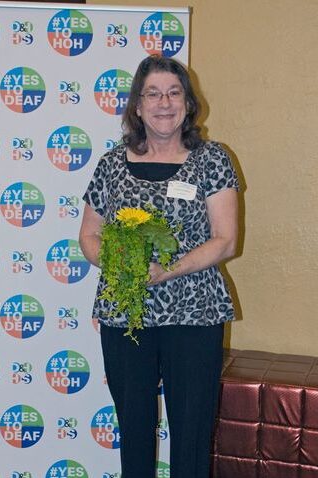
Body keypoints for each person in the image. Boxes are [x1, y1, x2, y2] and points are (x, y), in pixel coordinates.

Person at [79, 55, 239, 478]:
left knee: (192, 429)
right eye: (152, 93)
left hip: (194, 311)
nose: (163, 103)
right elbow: (88, 236)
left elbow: (225, 240)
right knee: (133, 428)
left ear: (188, 103)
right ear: (137, 105)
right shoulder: (111, 164)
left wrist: (168, 270)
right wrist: (120, 265)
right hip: (125, 312)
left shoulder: (212, 159)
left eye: (174, 93)